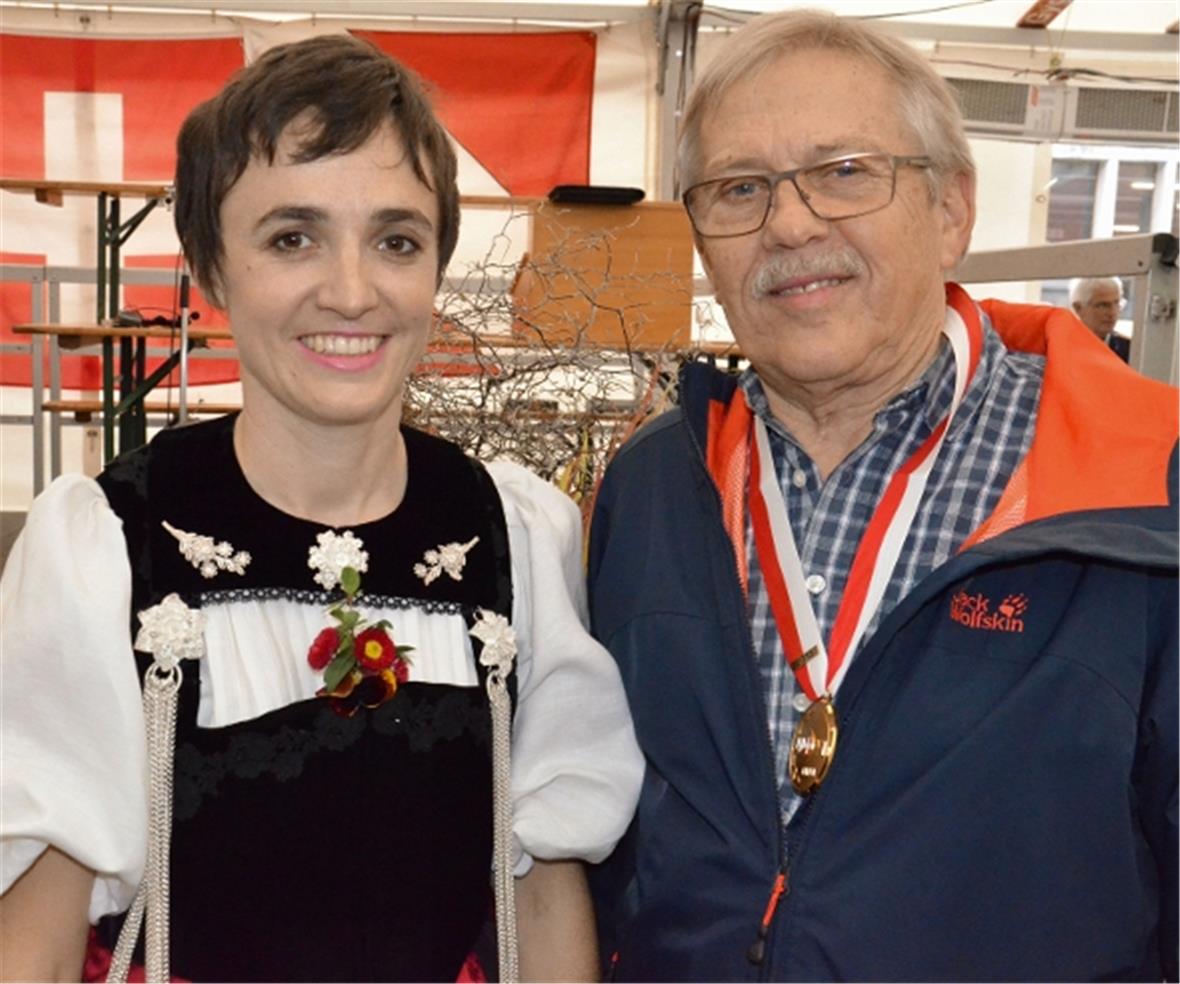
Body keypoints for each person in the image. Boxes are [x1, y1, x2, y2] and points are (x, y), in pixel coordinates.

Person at [0, 35, 643, 982]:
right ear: (212, 270)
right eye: (291, 237)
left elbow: (542, 899)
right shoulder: (106, 545)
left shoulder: (515, 537)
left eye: (396, 240)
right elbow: (38, 937)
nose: (352, 291)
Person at [587, 9, 1177, 981]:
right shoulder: (650, 485)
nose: (788, 222)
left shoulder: (1148, 486)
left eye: (844, 171)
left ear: (951, 209)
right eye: (740, 189)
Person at [1071, 275, 1131, 361]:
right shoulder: (1058, 347)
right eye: (1103, 306)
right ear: (1078, 308)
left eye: (1116, 303)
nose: (1112, 313)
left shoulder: (1130, 349)